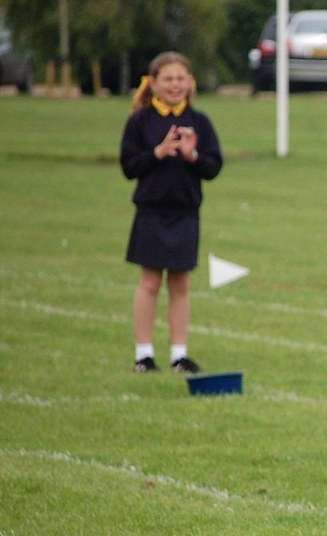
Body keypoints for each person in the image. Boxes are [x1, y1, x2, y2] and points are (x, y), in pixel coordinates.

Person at [120, 51, 223, 373]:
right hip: (151, 212)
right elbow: (129, 166)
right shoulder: (140, 121)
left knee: (180, 284)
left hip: (186, 213)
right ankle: (144, 355)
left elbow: (213, 166)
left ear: (189, 83)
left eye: (180, 79)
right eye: (168, 79)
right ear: (153, 84)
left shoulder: (200, 122)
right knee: (149, 282)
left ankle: (179, 355)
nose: (175, 85)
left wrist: (193, 156)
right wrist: (158, 153)